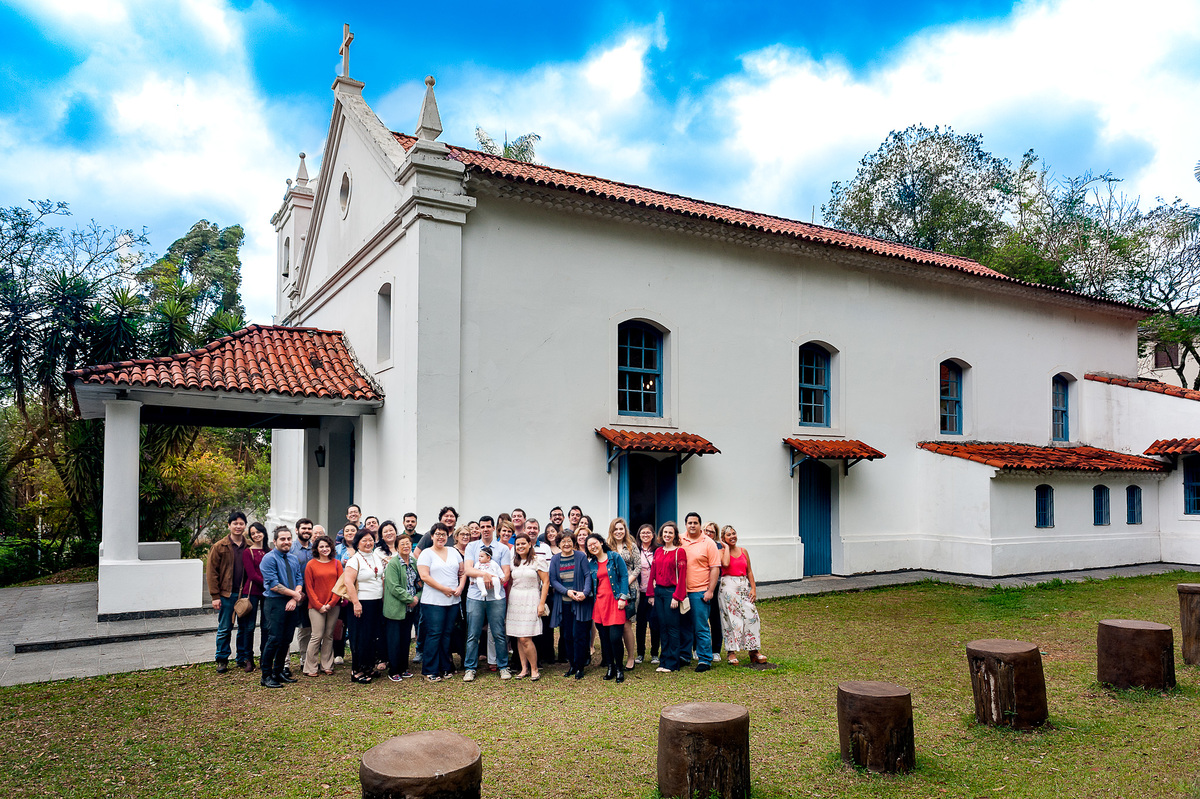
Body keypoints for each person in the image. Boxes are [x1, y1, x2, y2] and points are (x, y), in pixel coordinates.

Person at [417, 523, 465, 682]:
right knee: (434, 634)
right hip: (433, 601)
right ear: (432, 536)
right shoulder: (426, 553)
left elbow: (462, 572)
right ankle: (430, 669)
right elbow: (424, 577)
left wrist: (460, 587)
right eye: (437, 534)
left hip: (452, 600)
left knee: (447, 634)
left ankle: (445, 667)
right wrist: (443, 589)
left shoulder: (453, 551)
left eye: (443, 534)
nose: (440, 537)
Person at [259, 526, 304, 688]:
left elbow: (299, 579)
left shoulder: (292, 558)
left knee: (286, 640)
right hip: (275, 603)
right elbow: (273, 585)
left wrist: (294, 597)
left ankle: (278, 672)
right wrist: (295, 595)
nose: (286, 542)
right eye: (282, 539)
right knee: (274, 639)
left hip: (292, 602)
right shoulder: (269, 559)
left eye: (288, 539)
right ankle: (266, 675)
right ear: (275, 541)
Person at [206, 510, 249, 674]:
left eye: (241, 523)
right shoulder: (219, 546)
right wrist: (215, 596)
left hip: (244, 595)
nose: (238, 526)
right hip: (226, 595)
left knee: (244, 628)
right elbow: (211, 573)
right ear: (229, 525)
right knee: (225, 627)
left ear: (245, 525)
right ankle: (222, 659)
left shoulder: (250, 545)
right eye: (235, 523)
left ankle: (242, 657)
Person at [718, 525, 767, 665]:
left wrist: (753, 588)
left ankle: (754, 650)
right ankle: (731, 652)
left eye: (734, 533)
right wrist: (726, 547)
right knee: (731, 620)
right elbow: (725, 563)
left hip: (743, 586)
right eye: (728, 535)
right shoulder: (721, 552)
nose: (732, 536)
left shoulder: (743, 551)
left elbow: (749, 571)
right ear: (723, 539)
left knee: (752, 616)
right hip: (728, 588)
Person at [343, 528, 386, 684]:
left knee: (371, 637)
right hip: (361, 602)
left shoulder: (375, 556)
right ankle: (356, 671)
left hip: (375, 602)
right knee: (360, 637)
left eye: (370, 540)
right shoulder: (355, 560)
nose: (368, 543)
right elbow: (348, 582)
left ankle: (367, 666)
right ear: (357, 543)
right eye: (364, 541)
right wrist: (356, 602)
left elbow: (380, 577)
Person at [679, 512, 720, 673]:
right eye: (690, 523)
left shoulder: (708, 543)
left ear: (699, 525)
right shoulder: (680, 539)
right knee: (684, 626)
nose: (692, 525)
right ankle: (684, 655)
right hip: (682, 592)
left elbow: (715, 568)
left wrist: (710, 590)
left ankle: (704, 659)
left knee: (701, 626)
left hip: (700, 592)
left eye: (695, 523)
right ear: (686, 524)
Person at [586, 533, 630, 682]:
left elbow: (624, 576)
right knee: (604, 638)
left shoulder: (614, 557)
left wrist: (623, 597)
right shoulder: (591, 563)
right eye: (589, 545)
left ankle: (619, 669)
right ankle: (610, 667)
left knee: (615, 638)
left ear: (600, 542)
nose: (593, 546)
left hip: (615, 601)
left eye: (594, 543)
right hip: (599, 603)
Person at [506, 534, 549, 680]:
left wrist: (541, 603)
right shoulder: (514, 562)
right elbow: (511, 582)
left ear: (529, 544)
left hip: (531, 598)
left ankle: (534, 669)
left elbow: (546, 582)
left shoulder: (538, 561)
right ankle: (524, 669)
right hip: (515, 599)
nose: (520, 547)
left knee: (526, 637)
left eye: (523, 543)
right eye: (517, 544)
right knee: (519, 637)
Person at [549, 532, 591, 679]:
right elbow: (553, 580)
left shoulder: (581, 557)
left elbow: (587, 575)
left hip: (580, 602)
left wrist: (584, 593)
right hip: (564, 604)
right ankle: (572, 665)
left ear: (573, 543)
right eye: (563, 542)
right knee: (566, 636)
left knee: (578, 635)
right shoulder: (555, 559)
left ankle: (580, 667)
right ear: (559, 544)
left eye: (569, 541)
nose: (566, 544)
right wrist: (567, 592)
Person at [649, 521, 687, 672]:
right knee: (662, 627)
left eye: (670, 532)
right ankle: (663, 660)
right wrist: (651, 594)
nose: (667, 535)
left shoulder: (679, 552)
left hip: (672, 592)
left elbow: (683, 576)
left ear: (675, 535)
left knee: (672, 628)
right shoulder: (658, 551)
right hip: (659, 592)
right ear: (661, 534)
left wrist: (677, 597)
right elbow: (653, 573)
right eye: (665, 532)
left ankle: (672, 662)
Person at [303, 535, 343, 676]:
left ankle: (327, 665)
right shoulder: (311, 565)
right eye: (321, 546)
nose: (324, 549)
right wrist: (319, 605)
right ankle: (310, 667)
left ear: (331, 547)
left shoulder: (337, 564)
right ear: (316, 548)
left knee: (329, 635)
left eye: (327, 546)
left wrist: (331, 603)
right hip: (315, 606)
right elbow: (309, 588)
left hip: (333, 605)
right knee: (316, 635)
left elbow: (340, 585)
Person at [383, 533, 421, 680]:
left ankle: (404, 668)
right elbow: (394, 587)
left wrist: (417, 597)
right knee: (394, 640)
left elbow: (420, 583)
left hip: (410, 609)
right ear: (397, 547)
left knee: (406, 639)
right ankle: (394, 670)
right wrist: (409, 599)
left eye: (408, 543)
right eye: (402, 544)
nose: (406, 546)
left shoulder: (413, 562)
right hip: (396, 609)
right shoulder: (393, 564)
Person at [607, 518, 640, 671]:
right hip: (611, 591)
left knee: (627, 625)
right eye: (616, 529)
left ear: (625, 530)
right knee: (614, 624)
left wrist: (626, 583)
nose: (619, 532)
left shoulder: (632, 546)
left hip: (630, 589)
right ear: (612, 531)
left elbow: (638, 567)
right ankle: (615, 656)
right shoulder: (607, 547)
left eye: (621, 529)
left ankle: (631, 657)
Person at [237, 521, 269, 674]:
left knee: (266, 627)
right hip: (251, 592)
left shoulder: (269, 551)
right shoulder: (247, 552)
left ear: (263, 532)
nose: (256, 535)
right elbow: (252, 575)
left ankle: (264, 657)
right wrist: (269, 584)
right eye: (253, 533)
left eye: (258, 532)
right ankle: (248, 659)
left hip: (268, 593)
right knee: (249, 627)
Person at [634, 523, 661, 665]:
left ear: (653, 535)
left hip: (654, 592)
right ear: (639, 535)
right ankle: (640, 653)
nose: (645, 535)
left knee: (655, 623)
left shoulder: (658, 550)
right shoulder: (635, 550)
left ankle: (655, 653)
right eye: (643, 533)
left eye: (648, 533)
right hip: (640, 592)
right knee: (641, 624)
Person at [293, 517, 316, 672]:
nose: (306, 531)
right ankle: (285, 663)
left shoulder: (315, 548)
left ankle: (305, 659)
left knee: (307, 629)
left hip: (312, 595)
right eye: (303, 528)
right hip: (294, 594)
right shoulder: (291, 548)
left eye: (309, 529)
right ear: (297, 530)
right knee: (291, 628)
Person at [704, 521, 726, 664]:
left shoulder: (718, 547)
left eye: (710, 531)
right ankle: (697, 648)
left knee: (715, 618)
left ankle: (716, 650)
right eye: (705, 530)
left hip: (716, 586)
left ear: (715, 534)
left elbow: (721, 563)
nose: (707, 533)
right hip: (699, 585)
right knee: (699, 618)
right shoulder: (698, 544)